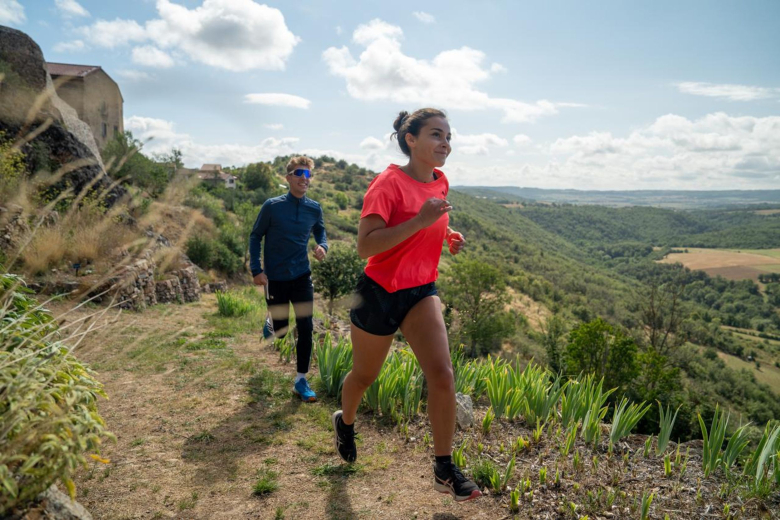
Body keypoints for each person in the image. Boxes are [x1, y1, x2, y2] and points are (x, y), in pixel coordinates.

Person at [331, 109, 481, 502]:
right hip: (379, 292)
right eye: (436, 134)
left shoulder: (440, 181)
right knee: (364, 377)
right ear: (410, 139)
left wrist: (446, 234)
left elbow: (430, 219)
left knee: (443, 374)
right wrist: (419, 222)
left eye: (449, 135)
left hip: (421, 291)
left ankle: (444, 468)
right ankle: (344, 422)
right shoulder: (387, 183)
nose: (446, 142)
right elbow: (366, 245)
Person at [249, 156, 328, 403]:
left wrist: (322, 245)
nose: (305, 179)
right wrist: (256, 269)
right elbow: (255, 236)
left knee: (306, 328)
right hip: (276, 279)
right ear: (289, 177)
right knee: (281, 332)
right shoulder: (272, 206)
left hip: (302, 276)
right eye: (300, 173)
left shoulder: (314, 208)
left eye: (308, 174)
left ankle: (301, 381)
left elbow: (321, 231)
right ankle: (273, 322)